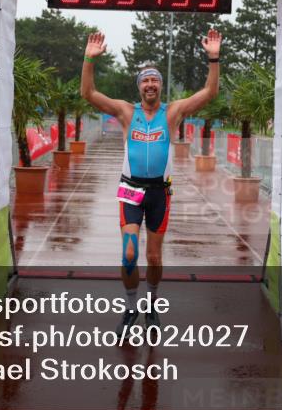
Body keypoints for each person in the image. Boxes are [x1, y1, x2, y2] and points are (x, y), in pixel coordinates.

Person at [80, 29, 222, 330]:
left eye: (154, 79)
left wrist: (213, 57)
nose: (150, 84)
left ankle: (152, 305)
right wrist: (89, 60)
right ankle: (131, 308)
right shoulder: (126, 112)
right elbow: (89, 94)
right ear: (139, 86)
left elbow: (210, 93)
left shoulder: (173, 113)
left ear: (160, 85)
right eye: (145, 80)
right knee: (130, 253)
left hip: (160, 193)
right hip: (131, 190)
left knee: (154, 258)